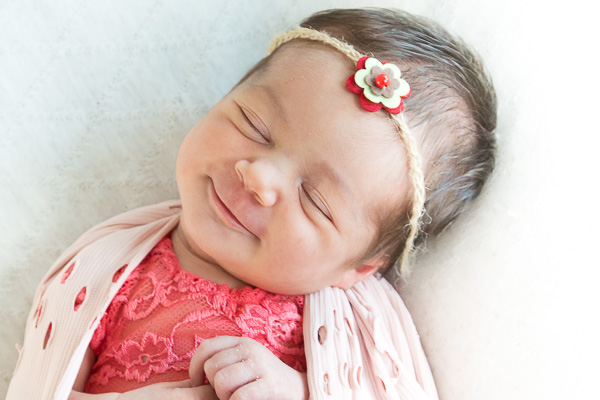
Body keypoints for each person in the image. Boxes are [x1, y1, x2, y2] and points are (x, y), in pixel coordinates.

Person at [7, 7, 496, 400]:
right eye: (254, 126)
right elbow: (39, 386)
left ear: (361, 267)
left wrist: (299, 390)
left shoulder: (358, 329)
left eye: (315, 200)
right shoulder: (107, 272)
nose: (259, 176)